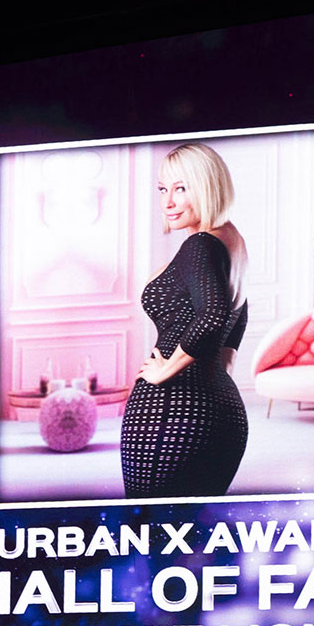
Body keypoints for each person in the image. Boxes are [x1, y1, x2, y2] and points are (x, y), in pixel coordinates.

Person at [119, 143, 248, 499]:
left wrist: (164, 372)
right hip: (222, 409)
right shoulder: (233, 240)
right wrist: (217, 376)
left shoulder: (201, 245)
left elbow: (213, 316)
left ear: (208, 186)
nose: (168, 202)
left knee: (150, 524)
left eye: (181, 188)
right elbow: (237, 319)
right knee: (196, 527)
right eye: (163, 189)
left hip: (171, 413)